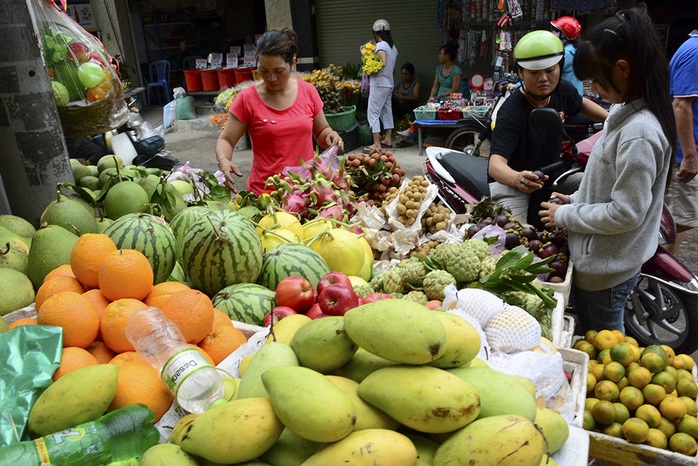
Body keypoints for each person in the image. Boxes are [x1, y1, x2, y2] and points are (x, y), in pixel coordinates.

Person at [538, 7, 676, 333]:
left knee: (604, 346)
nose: (594, 90)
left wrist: (564, 217)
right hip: (599, 262)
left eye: (597, 81)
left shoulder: (640, 132)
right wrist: (575, 200)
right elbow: (610, 179)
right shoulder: (621, 111)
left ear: (623, 69)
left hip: (607, 272)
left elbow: (626, 213)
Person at [487, 30, 607, 227]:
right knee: (513, 239)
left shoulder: (562, 90)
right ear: (520, 72)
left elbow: (581, 103)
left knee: (599, 186)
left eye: (550, 70)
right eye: (534, 73)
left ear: (560, 67)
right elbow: (495, 165)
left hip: (552, 175)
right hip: (514, 184)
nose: (543, 78)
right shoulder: (511, 112)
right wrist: (518, 179)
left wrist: (612, 120)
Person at [215, 28, 343, 195]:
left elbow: (322, 133)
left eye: (279, 71)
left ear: (293, 62)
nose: (271, 78)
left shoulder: (308, 92)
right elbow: (226, 139)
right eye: (264, 71)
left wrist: (331, 136)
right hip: (265, 194)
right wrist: (224, 160)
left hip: (306, 192)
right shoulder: (247, 99)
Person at [665, 29, 698, 255]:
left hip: (685, 153)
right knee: (676, 221)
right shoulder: (695, 52)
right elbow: (680, 105)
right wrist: (689, 156)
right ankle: (651, 272)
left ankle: (667, 276)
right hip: (680, 155)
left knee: (680, 218)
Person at [364, 19, 398, 153]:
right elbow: (393, 68)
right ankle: (388, 139)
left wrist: (369, 69)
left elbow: (381, 63)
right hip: (389, 83)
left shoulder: (381, 45)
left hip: (379, 84)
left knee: (373, 112)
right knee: (386, 110)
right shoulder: (393, 47)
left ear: (375, 33)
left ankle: (376, 143)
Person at [551, 16, 584, 96]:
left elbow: (549, 73)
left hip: (567, 97)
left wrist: (517, 85)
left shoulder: (566, 54)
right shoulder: (575, 50)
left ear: (564, 35)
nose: (553, 33)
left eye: (556, 31)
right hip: (576, 95)